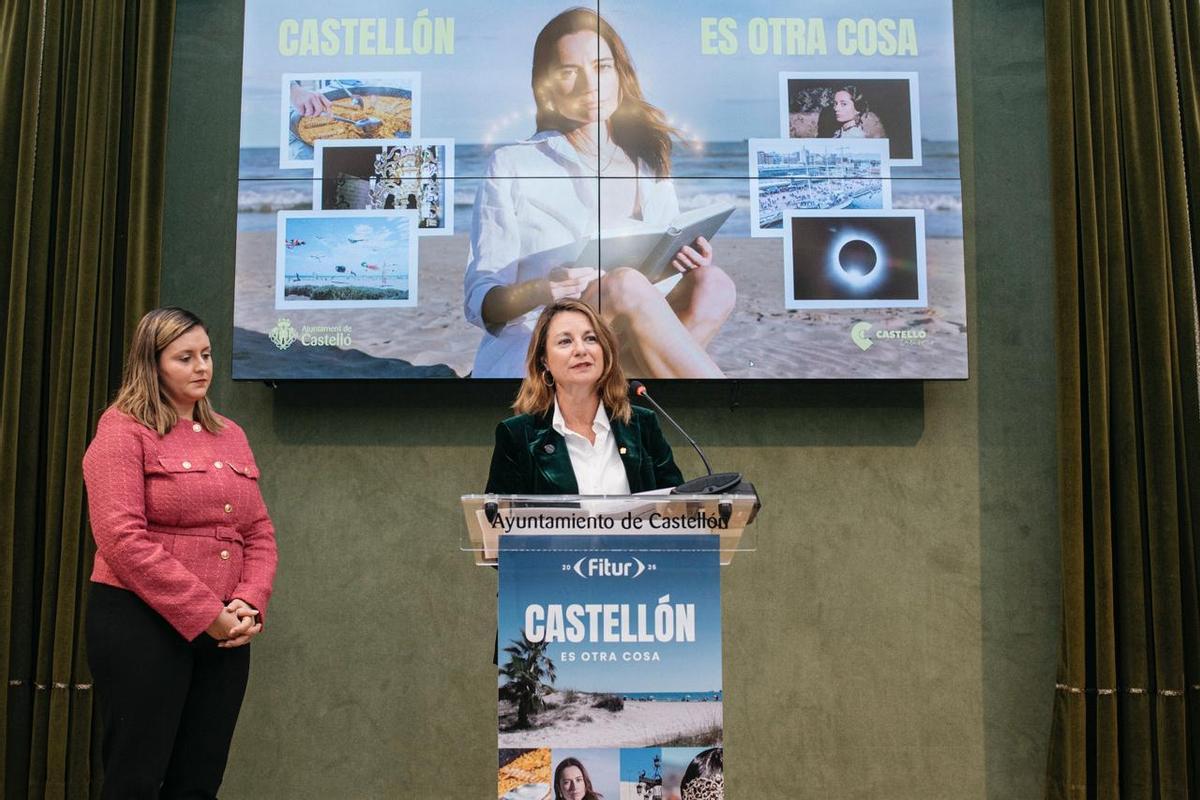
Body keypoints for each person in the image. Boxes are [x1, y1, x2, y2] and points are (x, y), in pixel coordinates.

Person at [464, 7, 735, 379]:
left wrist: (680, 258)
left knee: (714, 284)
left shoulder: (648, 165)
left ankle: (626, 396)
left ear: (620, 75)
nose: (588, 84)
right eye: (568, 72)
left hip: (616, 342)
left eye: (601, 67)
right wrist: (544, 289)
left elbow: (653, 298)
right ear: (546, 86)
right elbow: (482, 302)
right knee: (624, 284)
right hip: (539, 347)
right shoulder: (513, 164)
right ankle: (720, 418)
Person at [82, 307, 277, 798]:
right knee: (135, 779)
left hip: (225, 633)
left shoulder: (230, 434)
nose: (201, 368)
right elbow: (120, 537)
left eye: (206, 355)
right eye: (185, 358)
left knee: (199, 781)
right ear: (153, 365)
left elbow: (258, 533)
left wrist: (249, 602)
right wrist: (205, 612)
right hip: (139, 624)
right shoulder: (122, 429)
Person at [486, 298, 683, 495]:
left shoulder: (642, 424)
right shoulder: (517, 435)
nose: (581, 350)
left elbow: (679, 507)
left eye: (591, 339)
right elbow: (496, 519)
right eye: (565, 341)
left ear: (604, 351)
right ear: (544, 360)